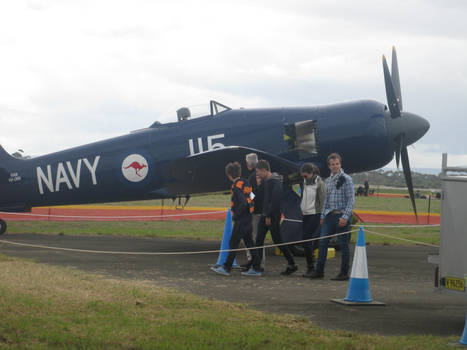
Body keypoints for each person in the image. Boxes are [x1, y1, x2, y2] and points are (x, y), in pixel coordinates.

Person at [211, 162, 262, 276]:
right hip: (249, 218)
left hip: (242, 219)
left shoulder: (236, 186)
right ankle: (257, 268)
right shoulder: (246, 182)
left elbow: (243, 203)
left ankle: (226, 268)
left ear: (229, 175)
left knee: (233, 243)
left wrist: (236, 215)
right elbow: (251, 198)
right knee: (250, 244)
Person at [311, 153, 355, 280]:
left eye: (337, 164)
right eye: (332, 164)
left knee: (343, 244)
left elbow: (351, 200)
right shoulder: (328, 181)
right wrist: (323, 215)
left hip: (341, 216)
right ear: (329, 166)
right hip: (329, 216)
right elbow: (326, 200)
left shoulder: (347, 179)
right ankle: (319, 271)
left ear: (340, 164)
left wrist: (345, 217)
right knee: (322, 242)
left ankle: (344, 273)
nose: (335, 166)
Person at [255, 160, 298, 275]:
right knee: (260, 240)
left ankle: (292, 264)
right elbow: (264, 198)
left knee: (277, 241)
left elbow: (276, 201)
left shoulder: (275, 182)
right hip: (266, 215)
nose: (257, 174)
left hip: (271, 216)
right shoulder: (267, 181)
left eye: (258, 172)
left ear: (264, 170)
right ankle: (258, 266)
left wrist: (268, 215)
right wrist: (259, 186)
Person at [299, 163, 326, 278]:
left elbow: (323, 201)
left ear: (312, 173)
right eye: (303, 176)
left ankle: (311, 267)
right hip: (306, 214)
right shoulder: (305, 181)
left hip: (316, 214)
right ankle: (310, 266)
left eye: (305, 176)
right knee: (306, 240)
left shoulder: (320, 184)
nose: (303, 178)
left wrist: (322, 216)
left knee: (306, 239)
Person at [242, 153, 265, 270]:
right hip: (262, 210)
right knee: (258, 238)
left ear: (248, 164)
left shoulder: (252, 177)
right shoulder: (261, 175)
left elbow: (253, 195)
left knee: (253, 237)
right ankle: (255, 261)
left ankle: (256, 263)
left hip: (255, 212)